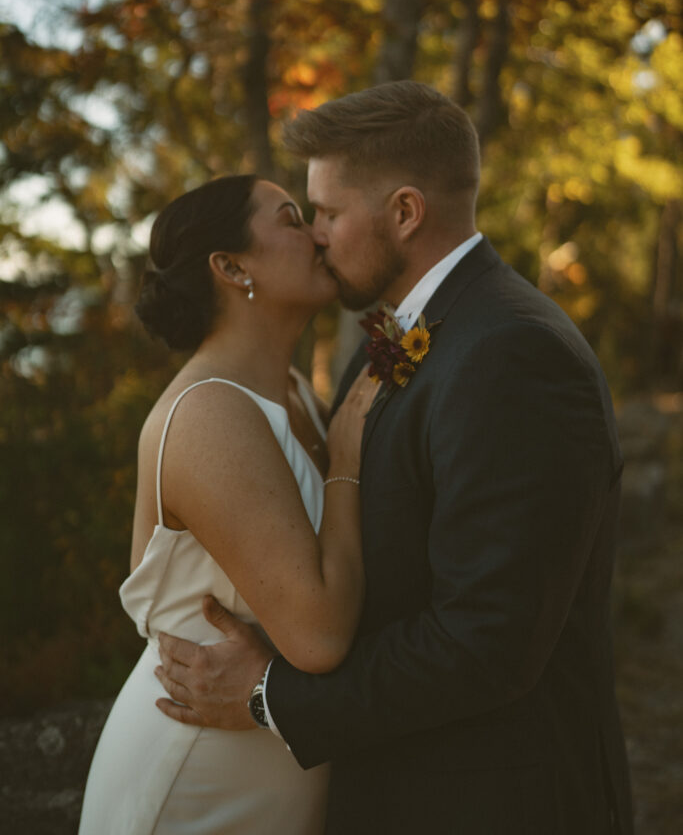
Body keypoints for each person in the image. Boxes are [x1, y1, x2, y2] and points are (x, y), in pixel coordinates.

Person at [155, 81, 634, 835]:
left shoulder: (514, 351)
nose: (315, 234)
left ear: (406, 212)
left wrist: (267, 695)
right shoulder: (394, 343)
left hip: (491, 805)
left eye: (330, 213)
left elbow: (487, 643)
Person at [78, 173, 376, 835]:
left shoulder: (294, 391)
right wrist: (349, 463)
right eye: (292, 218)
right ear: (231, 266)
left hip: (275, 765)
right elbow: (320, 635)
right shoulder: (207, 413)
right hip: (195, 777)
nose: (318, 234)